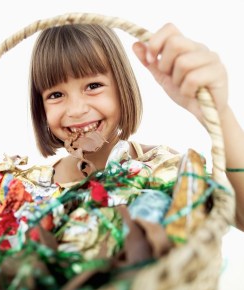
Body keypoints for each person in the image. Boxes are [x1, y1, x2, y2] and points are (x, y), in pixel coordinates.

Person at [29, 23, 244, 230]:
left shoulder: (163, 168)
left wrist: (219, 114)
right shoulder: (32, 191)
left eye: (93, 86)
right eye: (55, 95)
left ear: (122, 88)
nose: (75, 110)